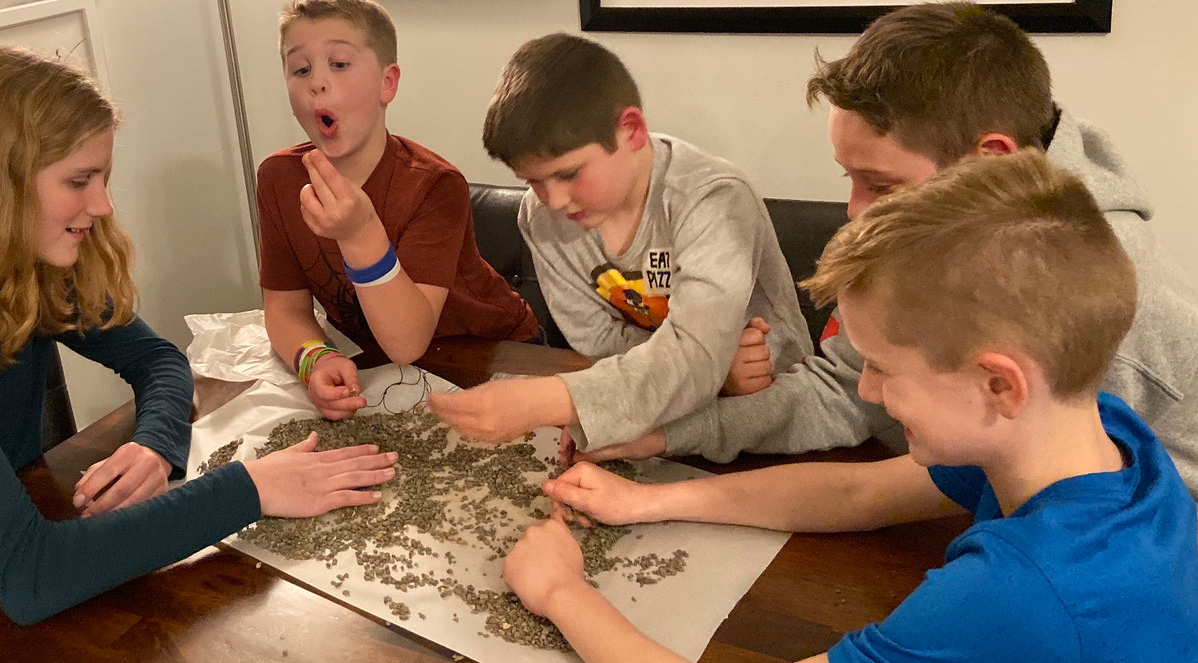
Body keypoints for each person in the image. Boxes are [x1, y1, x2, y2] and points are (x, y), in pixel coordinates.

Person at [0, 47, 398, 624]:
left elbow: (157, 361)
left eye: (103, 179)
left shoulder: (24, 267)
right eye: (78, 181)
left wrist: (155, 444)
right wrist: (253, 488)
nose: (103, 206)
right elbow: (29, 571)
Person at [503, 150, 1198, 663]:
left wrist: (562, 590)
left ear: (999, 384)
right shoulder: (1100, 431)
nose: (864, 390)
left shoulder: (1016, 593)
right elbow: (860, 488)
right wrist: (645, 502)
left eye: (883, 369)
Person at [579, 2, 1198, 499]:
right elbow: (845, 390)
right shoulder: (939, 231)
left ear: (990, 160)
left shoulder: (1120, 310)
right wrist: (670, 434)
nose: (854, 210)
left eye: (880, 186)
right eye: (847, 178)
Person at [429, 33, 810, 452]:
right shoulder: (540, 219)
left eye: (569, 174)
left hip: (771, 406)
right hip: (651, 409)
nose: (553, 200)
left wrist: (705, 368)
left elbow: (699, 356)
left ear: (631, 130)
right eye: (533, 181)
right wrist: (712, 372)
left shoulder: (714, 198)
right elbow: (597, 342)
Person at [257, 0, 538, 421]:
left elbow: (408, 342)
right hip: (383, 366)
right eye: (300, 68)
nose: (317, 81)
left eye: (339, 64)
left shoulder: (435, 184)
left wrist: (358, 234)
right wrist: (316, 358)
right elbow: (284, 308)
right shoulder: (278, 179)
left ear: (387, 83)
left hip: (492, 353)